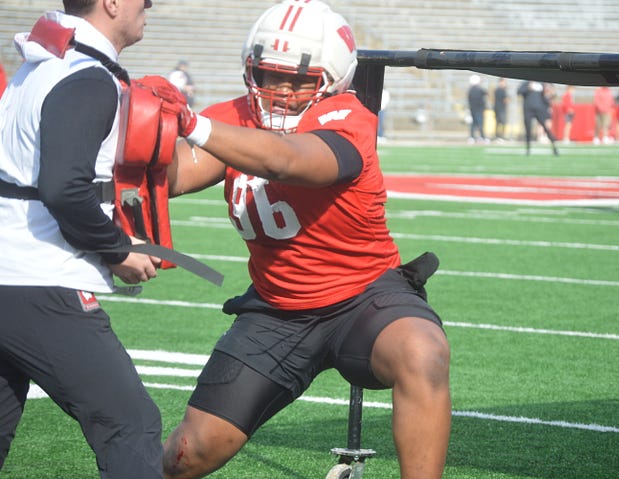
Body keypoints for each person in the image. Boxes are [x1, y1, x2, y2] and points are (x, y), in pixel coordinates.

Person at [161, 2, 451, 479]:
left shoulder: (347, 116)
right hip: (276, 309)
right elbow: (172, 175)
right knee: (187, 455)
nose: (280, 91)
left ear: (332, 81)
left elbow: (289, 161)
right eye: (268, 75)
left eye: (298, 80)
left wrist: (194, 125)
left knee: (423, 351)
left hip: (364, 297)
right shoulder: (231, 117)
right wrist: (140, 132)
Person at [0, 1, 163, 478]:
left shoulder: (40, 64)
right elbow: (63, 189)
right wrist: (119, 251)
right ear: (112, 3)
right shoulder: (86, 75)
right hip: (40, 277)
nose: (149, 4)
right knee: (130, 424)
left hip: (11, 272)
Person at [518, 80, 559, 155]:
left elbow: (543, 97)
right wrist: (528, 88)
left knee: (546, 128)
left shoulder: (540, 84)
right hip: (528, 110)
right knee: (528, 130)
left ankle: (554, 147)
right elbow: (519, 92)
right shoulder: (526, 83)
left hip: (539, 110)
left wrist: (549, 105)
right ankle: (528, 150)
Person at [467, 74, 488, 143]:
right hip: (478, 110)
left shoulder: (470, 90)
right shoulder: (478, 90)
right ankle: (483, 137)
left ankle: (472, 137)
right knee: (480, 124)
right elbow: (485, 93)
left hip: (473, 110)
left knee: (473, 124)